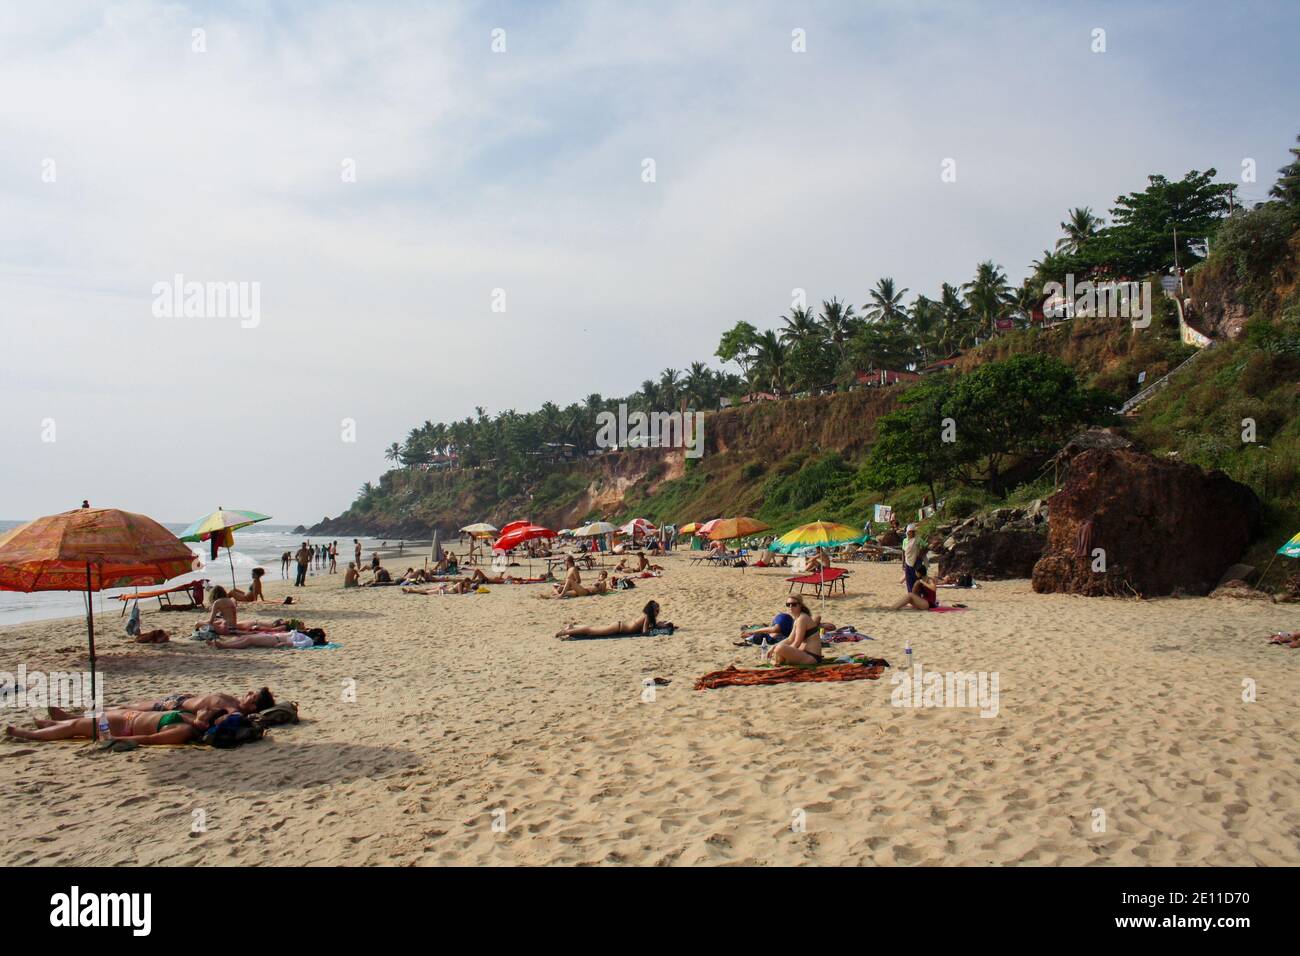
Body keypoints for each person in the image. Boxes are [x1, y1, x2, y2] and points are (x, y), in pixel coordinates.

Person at [7, 707, 229, 744]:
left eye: (208, 711)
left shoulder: (183, 730)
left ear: (205, 722)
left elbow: (149, 740)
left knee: (76, 726)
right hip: (128, 716)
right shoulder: (190, 717)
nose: (205, 707)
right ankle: (53, 723)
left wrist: (116, 740)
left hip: (125, 726)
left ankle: (31, 735)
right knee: (81, 722)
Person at [555, 600, 671, 639]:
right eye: (656, 611)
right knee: (591, 631)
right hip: (618, 628)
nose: (658, 613)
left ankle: (573, 627)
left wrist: (660, 625)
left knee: (593, 628)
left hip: (619, 626)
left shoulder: (647, 616)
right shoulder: (647, 616)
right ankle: (566, 632)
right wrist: (656, 628)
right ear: (652, 610)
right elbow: (644, 632)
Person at [765, 597, 825, 664]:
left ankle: (778, 660)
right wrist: (774, 646)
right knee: (778, 648)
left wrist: (781, 651)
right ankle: (778, 660)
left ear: (800, 605)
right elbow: (790, 639)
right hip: (805, 654)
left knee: (779, 648)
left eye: (794, 604)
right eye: (788, 604)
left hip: (812, 657)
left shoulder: (802, 619)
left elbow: (797, 643)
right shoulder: (797, 619)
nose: (790, 607)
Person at [213, 628, 328, 649]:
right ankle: (225, 642)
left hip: (275, 640)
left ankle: (224, 646)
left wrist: (283, 645)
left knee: (249, 641)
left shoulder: (309, 641)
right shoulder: (306, 637)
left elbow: (296, 644)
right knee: (247, 637)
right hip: (274, 637)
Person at [902, 524, 923, 593]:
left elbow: (925, 547)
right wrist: (903, 563)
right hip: (907, 562)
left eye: (912, 531)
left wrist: (920, 556)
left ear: (914, 532)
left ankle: (918, 594)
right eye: (909, 531)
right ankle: (910, 594)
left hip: (917, 562)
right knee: (909, 579)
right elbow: (904, 552)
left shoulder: (918, 539)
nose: (910, 533)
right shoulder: (905, 540)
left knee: (917, 579)